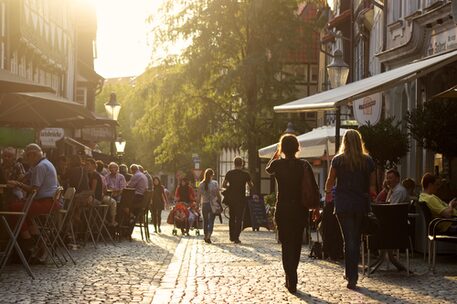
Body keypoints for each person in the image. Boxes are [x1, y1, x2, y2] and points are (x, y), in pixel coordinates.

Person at [324, 129, 376, 290]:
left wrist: (328, 192)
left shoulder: (338, 160)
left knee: (348, 240)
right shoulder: (368, 161)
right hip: (360, 204)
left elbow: (329, 183)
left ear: (344, 142)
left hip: (343, 205)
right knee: (356, 239)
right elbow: (373, 187)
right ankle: (352, 275)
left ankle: (351, 276)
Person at [265, 134, 309, 294]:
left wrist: (277, 154)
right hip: (299, 209)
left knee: (286, 245)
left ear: (282, 148)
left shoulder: (277, 165)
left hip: (283, 208)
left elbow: (267, 169)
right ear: (297, 147)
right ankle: (293, 274)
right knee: (296, 243)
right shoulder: (304, 165)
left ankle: (289, 276)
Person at [7, 143, 60, 262]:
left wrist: (18, 184)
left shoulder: (41, 166)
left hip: (46, 202)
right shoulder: (43, 164)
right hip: (50, 202)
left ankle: (29, 243)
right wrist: (20, 179)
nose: (26, 159)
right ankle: (38, 242)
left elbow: (34, 189)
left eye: (27, 156)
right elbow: (26, 176)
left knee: (14, 208)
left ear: (33, 155)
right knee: (25, 212)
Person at [222, 156, 253, 243]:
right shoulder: (245, 174)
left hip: (231, 199)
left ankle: (231, 236)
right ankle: (236, 237)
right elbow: (251, 186)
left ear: (234, 163)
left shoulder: (229, 173)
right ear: (242, 164)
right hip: (241, 199)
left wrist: (231, 187)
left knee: (232, 217)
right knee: (239, 218)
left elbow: (223, 185)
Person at [86, 158, 117, 227]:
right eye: (86, 165)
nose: (86, 166)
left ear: (94, 165)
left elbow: (92, 191)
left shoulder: (95, 175)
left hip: (96, 199)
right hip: (97, 197)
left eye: (88, 164)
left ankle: (103, 221)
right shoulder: (89, 174)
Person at [197, 168, 221, 244]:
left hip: (205, 204)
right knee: (211, 221)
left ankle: (205, 235)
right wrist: (219, 202)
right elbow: (218, 195)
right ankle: (209, 236)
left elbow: (198, 196)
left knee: (205, 220)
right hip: (213, 205)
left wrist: (197, 205)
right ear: (212, 175)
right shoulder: (215, 183)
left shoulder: (201, 184)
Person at [126, 164, 148, 236]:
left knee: (122, 205)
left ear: (132, 170)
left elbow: (129, 186)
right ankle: (131, 220)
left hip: (137, 198)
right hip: (142, 199)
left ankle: (131, 217)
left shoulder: (136, 175)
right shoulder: (143, 175)